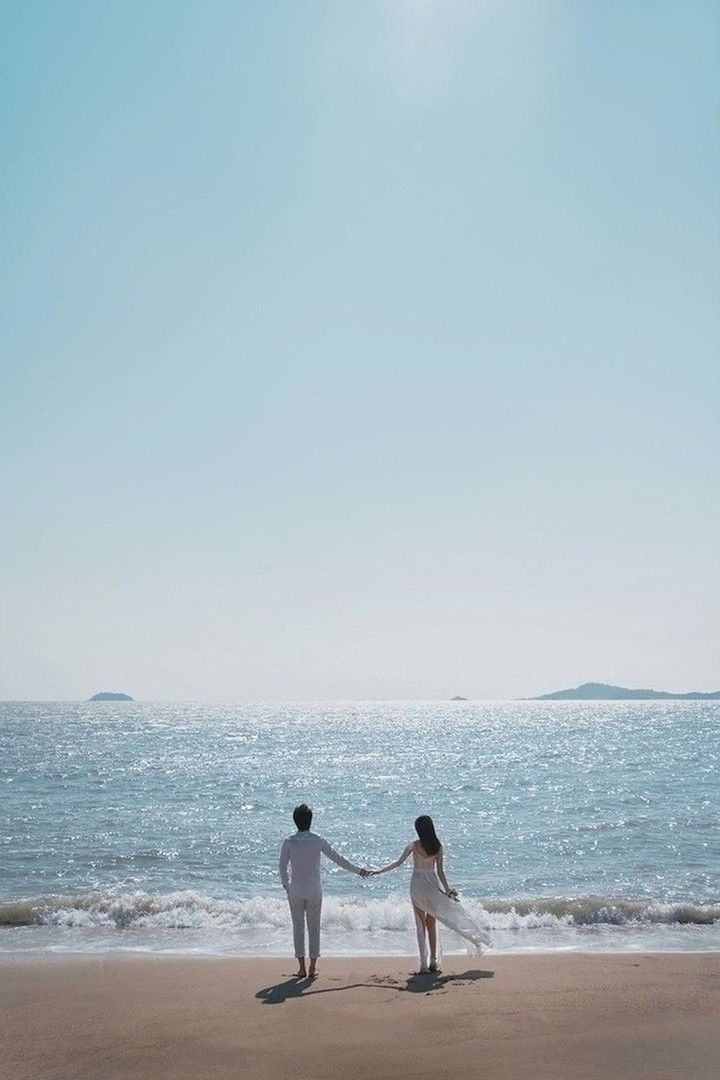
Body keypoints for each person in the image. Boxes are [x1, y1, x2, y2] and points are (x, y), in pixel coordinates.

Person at [369, 814, 490, 973]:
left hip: (417, 886)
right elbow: (440, 872)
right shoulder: (437, 847)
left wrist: (379, 871)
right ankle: (433, 960)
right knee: (431, 923)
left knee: (420, 925)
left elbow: (398, 863)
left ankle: (423, 965)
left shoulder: (413, 846)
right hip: (432, 886)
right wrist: (447, 890)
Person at [279, 803, 368, 979]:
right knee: (314, 927)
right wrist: (358, 871)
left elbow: (282, 867)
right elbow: (338, 859)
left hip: (296, 889)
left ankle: (301, 968)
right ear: (310, 821)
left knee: (298, 927)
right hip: (313, 889)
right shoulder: (318, 840)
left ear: (295, 821)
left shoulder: (289, 841)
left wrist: (286, 886)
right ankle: (312, 967)